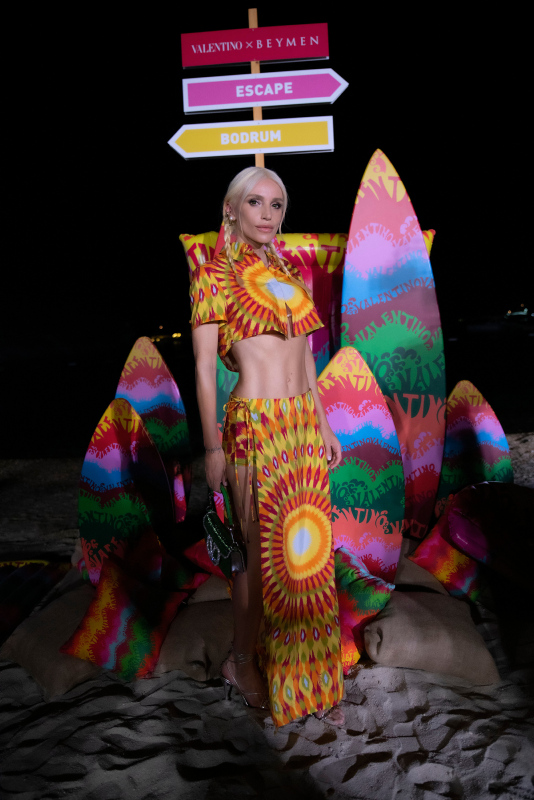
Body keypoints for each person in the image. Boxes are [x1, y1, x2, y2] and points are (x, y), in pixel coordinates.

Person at [190, 166, 344, 727]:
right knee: (256, 558)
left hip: (302, 424)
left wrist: (324, 423)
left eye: (276, 205)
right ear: (231, 209)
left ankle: (306, 670)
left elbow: (305, 356)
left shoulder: (291, 273)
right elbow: (204, 368)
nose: (267, 214)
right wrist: (212, 447)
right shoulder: (213, 275)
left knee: (307, 554)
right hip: (254, 426)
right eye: (255, 202)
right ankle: (240, 661)